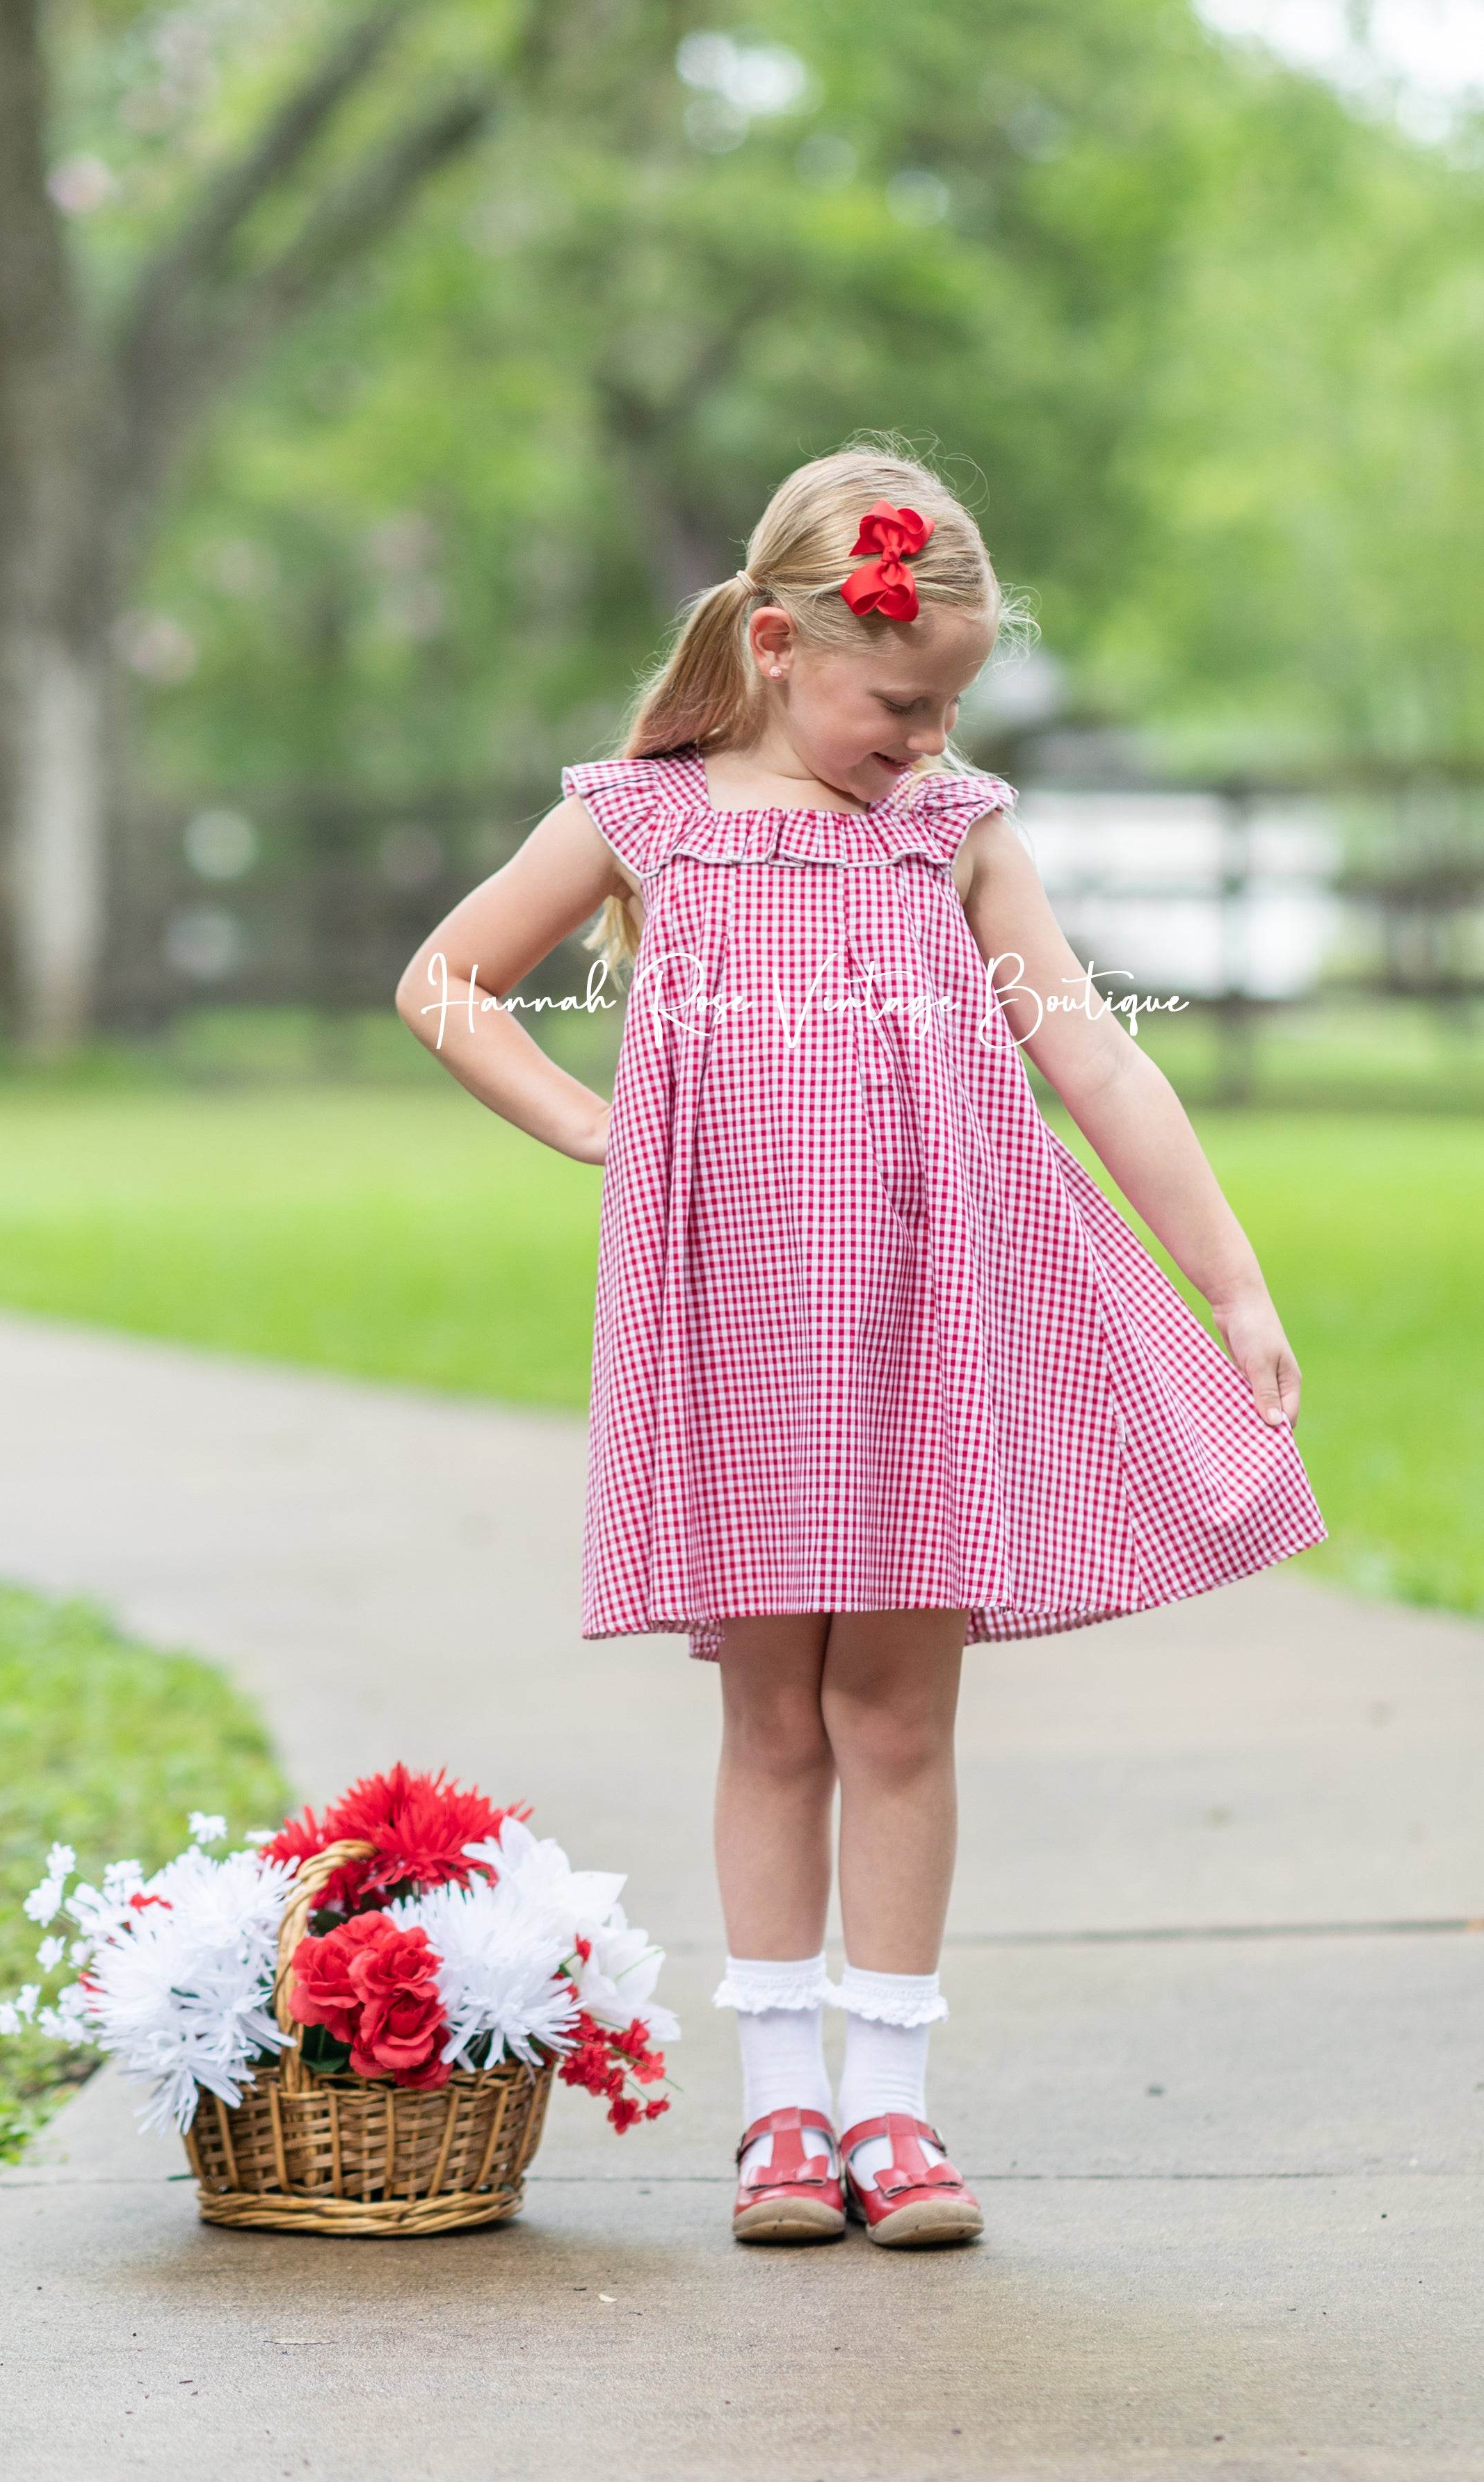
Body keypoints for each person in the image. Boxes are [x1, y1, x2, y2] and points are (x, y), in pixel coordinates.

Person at [395, 435, 1326, 2251]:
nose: (924, 735)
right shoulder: (644, 816)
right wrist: (600, 1127)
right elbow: (449, 979)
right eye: (900, 699)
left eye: (950, 703)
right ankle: (777, 2120)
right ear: (773, 642)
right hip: (741, 1329)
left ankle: (892, 2117)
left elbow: (1097, 1057)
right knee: (771, 1714)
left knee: (894, 1710)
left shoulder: (951, 835)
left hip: (922, 1324)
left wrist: (1230, 1278)